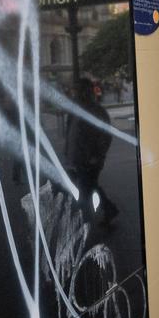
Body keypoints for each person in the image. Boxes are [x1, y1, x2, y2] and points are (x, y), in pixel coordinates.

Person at [65, 78, 119, 221]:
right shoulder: (75, 110)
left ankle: (82, 224)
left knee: (84, 191)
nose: (75, 94)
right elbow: (71, 133)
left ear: (86, 92)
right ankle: (109, 209)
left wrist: (97, 156)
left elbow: (105, 136)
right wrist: (68, 154)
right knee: (90, 187)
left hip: (89, 159)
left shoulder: (96, 111)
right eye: (74, 91)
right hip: (76, 158)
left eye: (78, 91)